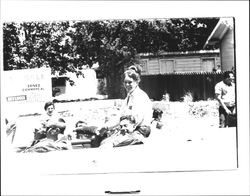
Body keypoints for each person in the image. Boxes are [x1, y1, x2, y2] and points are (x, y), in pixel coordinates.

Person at [96, 64, 152, 144]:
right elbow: (120, 116)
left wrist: (125, 129)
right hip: (130, 130)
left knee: (108, 144)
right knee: (103, 140)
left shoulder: (140, 97)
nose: (127, 85)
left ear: (137, 81)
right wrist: (106, 127)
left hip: (139, 132)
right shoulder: (128, 98)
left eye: (130, 82)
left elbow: (137, 118)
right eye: (125, 82)